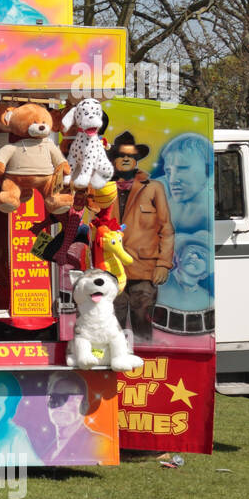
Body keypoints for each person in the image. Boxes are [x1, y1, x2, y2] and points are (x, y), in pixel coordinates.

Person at [108, 131, 174, 343]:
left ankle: (146, 362)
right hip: (112, 270)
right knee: (112, 322)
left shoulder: (154, 188)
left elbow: (166, 228)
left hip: (144, 269)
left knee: (142, 320)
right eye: (121, 155)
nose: (126, 158)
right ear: (113, 160)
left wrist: (163, 264)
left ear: (136, 160)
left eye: (131, 155)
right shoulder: (103, 189)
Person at [39, 372, 112, 465]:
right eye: (54, 398)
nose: (60, 405)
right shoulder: (49, 449)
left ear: (85, 406)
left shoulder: (100, 444)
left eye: (70, 398)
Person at [151, 133, 211, 235]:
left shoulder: (207, 207)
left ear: (206, 169)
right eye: (168, 172)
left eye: (182, 169)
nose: (172, 180)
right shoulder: (160, 191)